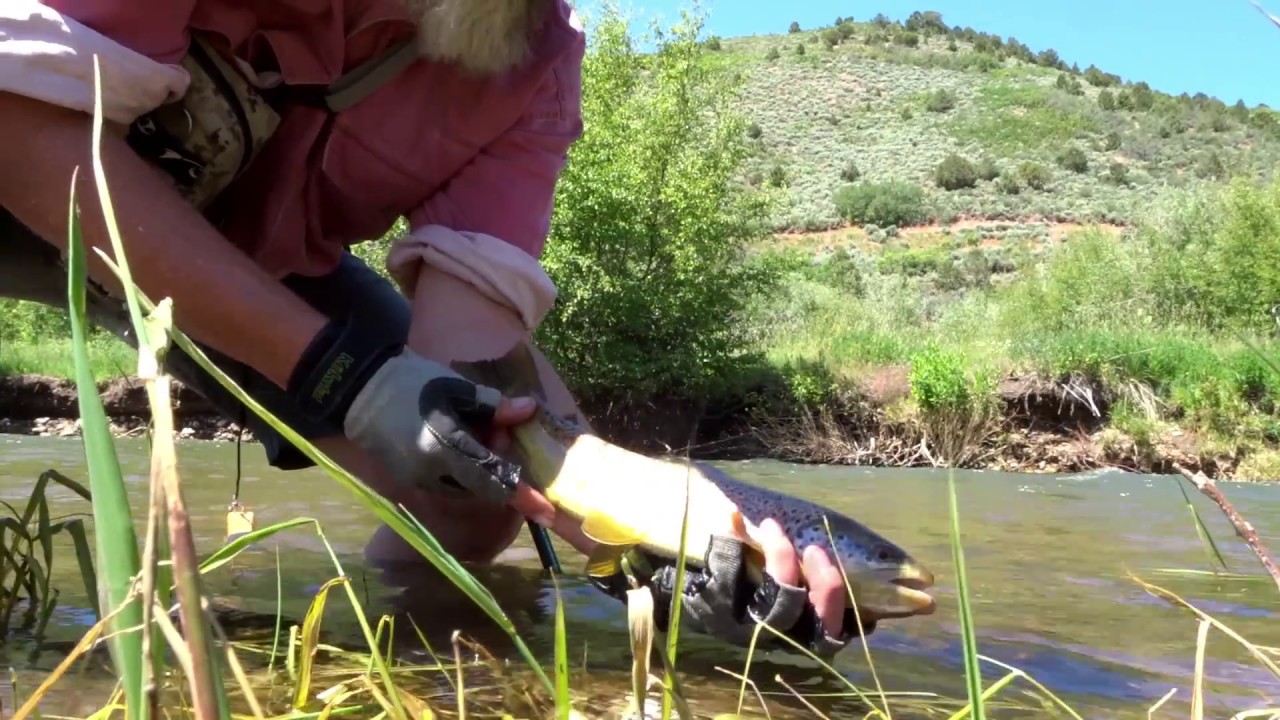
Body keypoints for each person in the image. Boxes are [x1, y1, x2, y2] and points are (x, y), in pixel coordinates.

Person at [0, 0, 867, 656]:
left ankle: (419, 650)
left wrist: (648, 538)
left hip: (251, 268)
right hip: (32, 150)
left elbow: (480, 378)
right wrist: (342, 373)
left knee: (471, 503)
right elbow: (20, 121)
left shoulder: (533, 66)